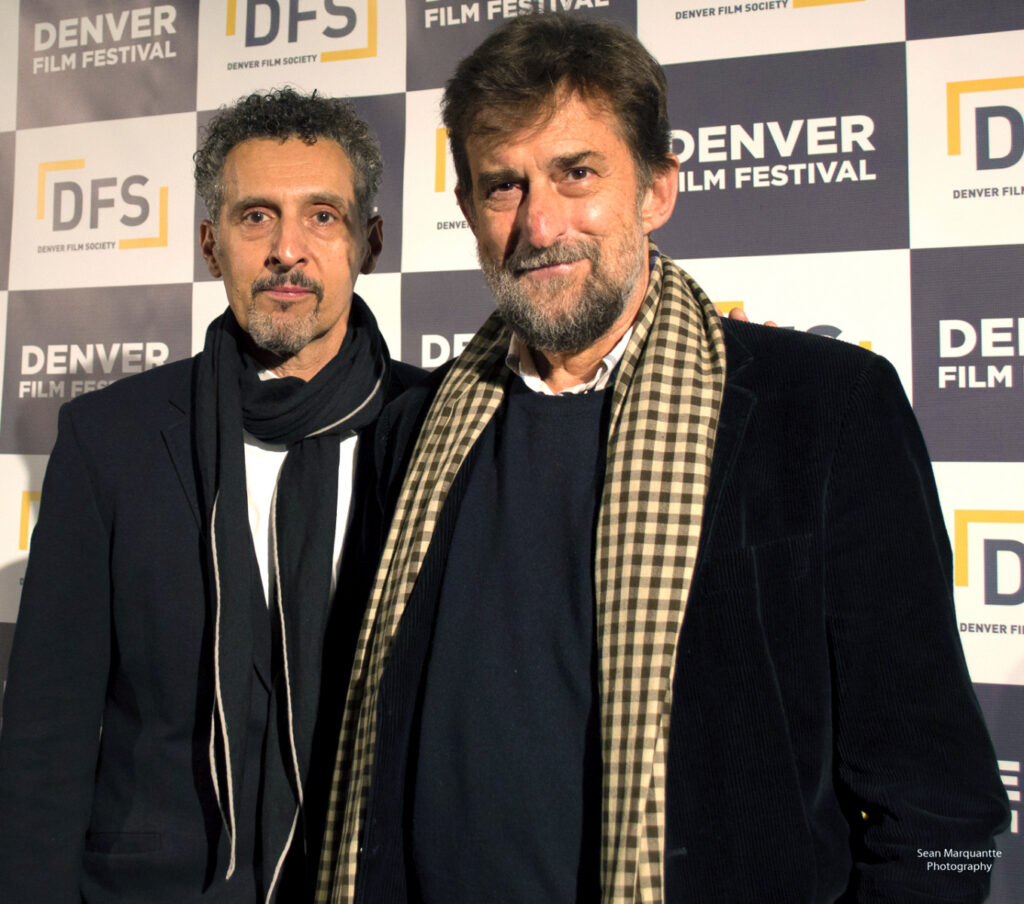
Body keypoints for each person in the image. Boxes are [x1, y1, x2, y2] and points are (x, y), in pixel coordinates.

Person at [316, 15, 1009, 904]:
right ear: (469, 215)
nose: (540, 222)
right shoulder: (410, 435)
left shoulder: (825, 413)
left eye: (577, 173)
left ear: (657, 190)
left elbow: (939, 815)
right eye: (503, 187)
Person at [0, 87, 421, 903]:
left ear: (370, 242)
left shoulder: (436, 425)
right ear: (209, 244)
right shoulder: (108, 438)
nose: (287, 250)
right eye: (255, 216)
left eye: (322, 216)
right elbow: (45, 734)